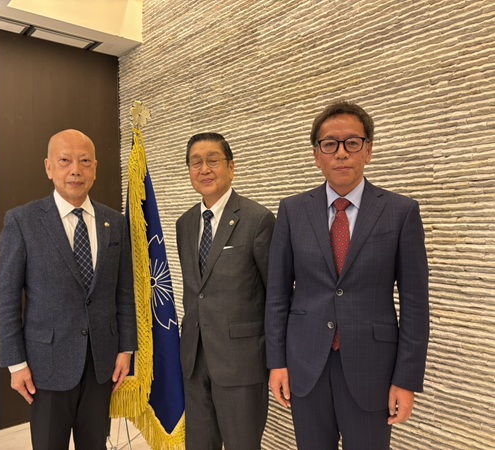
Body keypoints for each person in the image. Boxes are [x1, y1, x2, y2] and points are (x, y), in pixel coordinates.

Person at [265, 101, 430, 450]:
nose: (341, 153)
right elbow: (277, 294)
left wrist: (406, 380)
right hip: (305, 364)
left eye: (352, 142)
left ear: (368, 151)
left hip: (372, 369)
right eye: (330, 144)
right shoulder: (292, 211)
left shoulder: (400, 212)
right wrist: (276, 363)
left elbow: (415, 304)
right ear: (317, 155)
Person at [0, 129, 137, 450]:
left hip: (101, 364)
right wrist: (16, 364)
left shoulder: (114, 222)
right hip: (46, 365)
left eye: (84, 161)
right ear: (49, 167)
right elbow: (6, 299)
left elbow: (123, 292)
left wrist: (126, 348)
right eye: (65, 161)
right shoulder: (23, 221)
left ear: (95, 168)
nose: (75, 170)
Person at [176, 132, 276, 450]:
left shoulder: (258, 219)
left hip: (241, 361)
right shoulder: (184, 223)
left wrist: (277, 358)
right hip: (194, 359)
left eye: (213, 160)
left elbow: (276, 294)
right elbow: (197, 291)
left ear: (231, 167)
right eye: (196, 162)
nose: (204, 169)